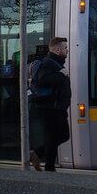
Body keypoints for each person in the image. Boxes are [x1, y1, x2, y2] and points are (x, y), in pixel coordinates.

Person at [30, 37, 71, 171]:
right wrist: (62, 75)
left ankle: (46, 163)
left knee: (54, 137)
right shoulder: (49, 63)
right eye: (65, 48)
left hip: (56, 107)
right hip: (51, 107)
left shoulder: (55, 62)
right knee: (60, 135)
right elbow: (43, 80)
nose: (67, 50)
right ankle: (45, 162)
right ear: (58, 50)